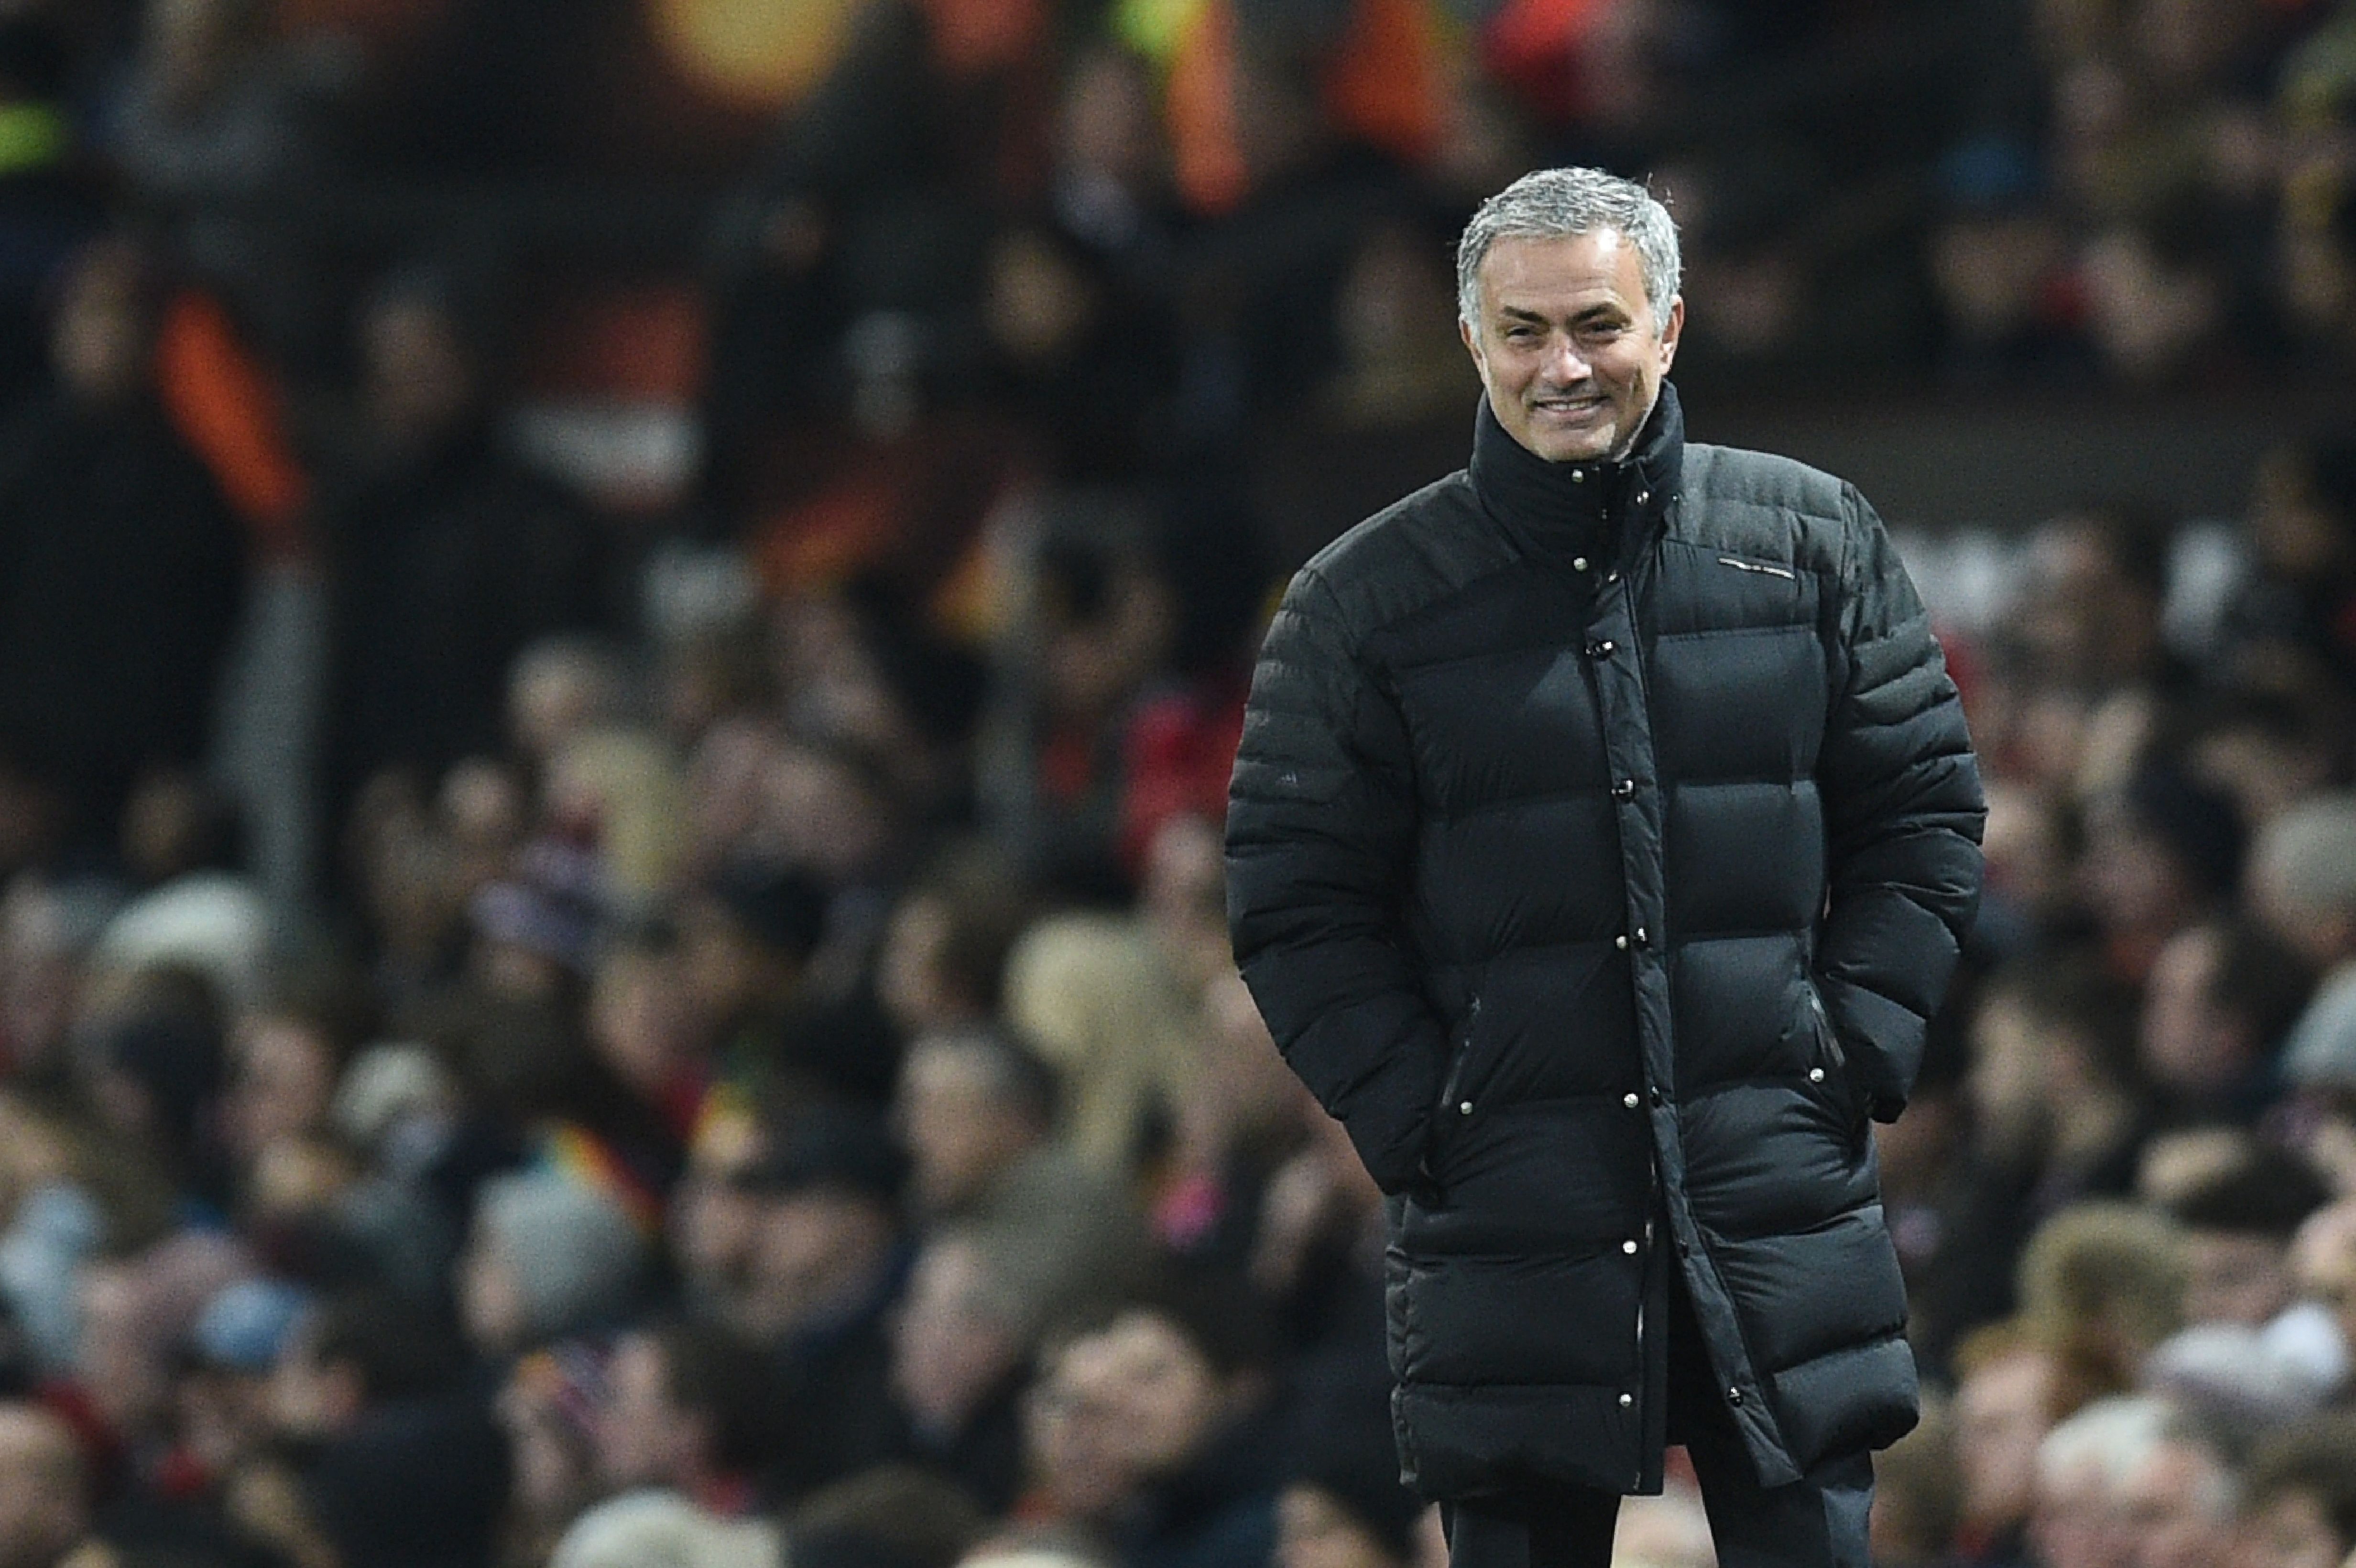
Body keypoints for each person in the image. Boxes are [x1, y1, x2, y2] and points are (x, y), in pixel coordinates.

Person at [1224, 166, 1985, 1567]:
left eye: (1597, 324)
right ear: (1472, 342)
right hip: (1509, 1216)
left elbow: (1926, 813)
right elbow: (1292, 904)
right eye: (1523, 332)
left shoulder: (1813, 539)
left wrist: (1850, 1049)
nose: (1562, 365)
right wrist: (1426, 1119)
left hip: (1777, 1188)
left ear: (1672, 327)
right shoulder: (1361, 604)